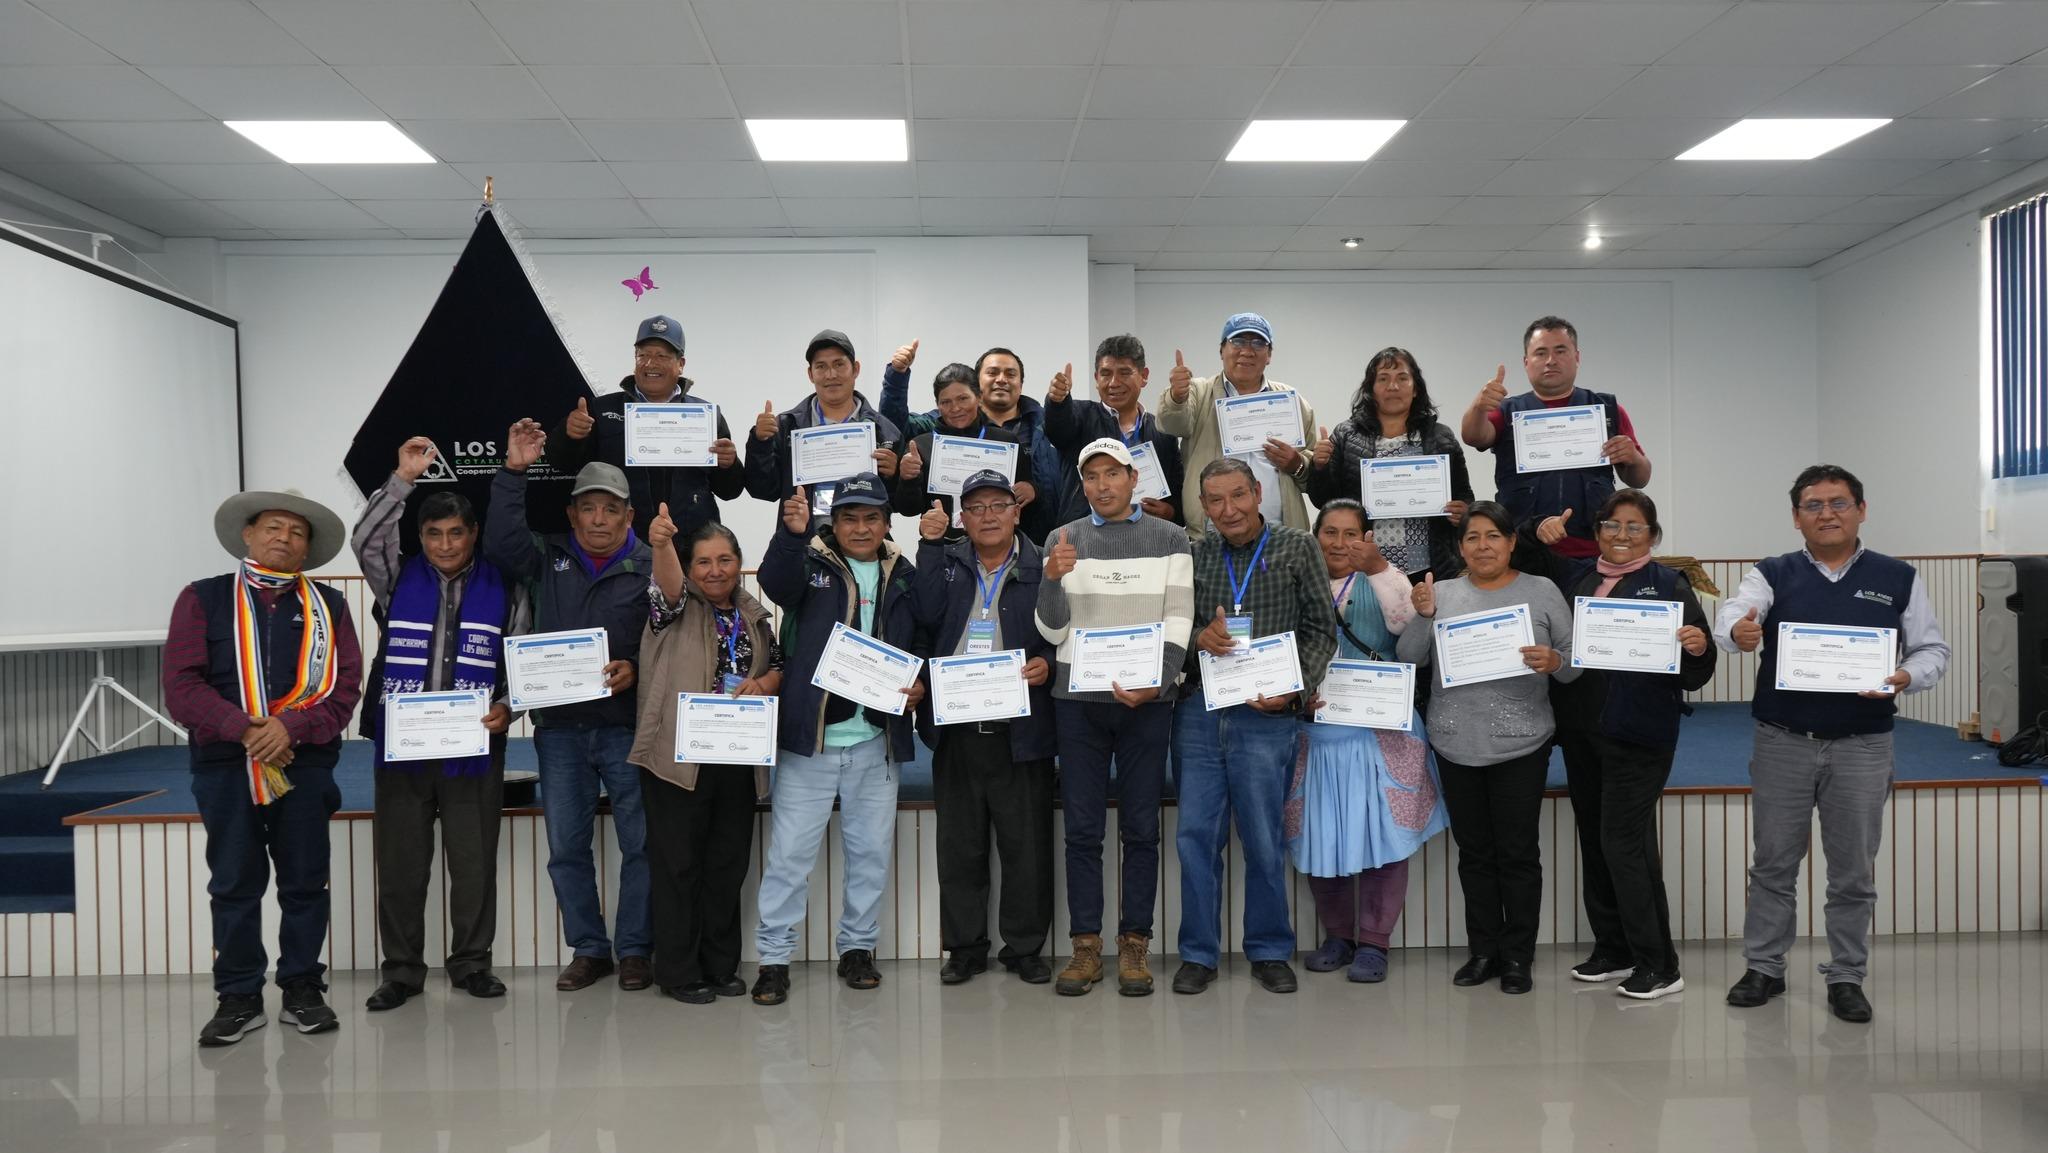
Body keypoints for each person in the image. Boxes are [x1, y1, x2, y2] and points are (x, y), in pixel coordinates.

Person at [1714, 465, 1949, 1024]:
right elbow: (1732, 619)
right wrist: (1737, 633)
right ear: (1796, 518)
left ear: (1861, 509)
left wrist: (1902, 678)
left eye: (1838, 503)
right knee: (1772, 864)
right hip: (1783, 741)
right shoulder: (1771, 573)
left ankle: (1847, 976)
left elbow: (1932, 652)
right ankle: (1764, 967)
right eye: (1813, 505)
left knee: (1853, 872)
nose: (1827, 514)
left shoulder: (1898, 577)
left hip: (1863, 745)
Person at [165, 489, 363, 1046]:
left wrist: (289, 730)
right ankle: (238, 996)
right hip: (227, 765)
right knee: (234, 883)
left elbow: (345, 687)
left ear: (308, 549)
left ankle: (302, 987)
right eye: (274, 527)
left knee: (305, 882)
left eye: (297, 532)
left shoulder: (330, 606)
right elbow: (181, 686)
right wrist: (246, 729)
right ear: (247, 535)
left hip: (306, 764)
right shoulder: (202, 599)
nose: (285, 538)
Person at [352, 438, 529, 1011]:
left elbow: (522, 659)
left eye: (456, 533)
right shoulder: (396, 579)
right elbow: (365, 539)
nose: (445, 544)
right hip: (403, 749)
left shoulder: (506, 585)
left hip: (475, 745)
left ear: (473, 534)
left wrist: (511, 707)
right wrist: (402, 478)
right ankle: (401, 971)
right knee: (402, 867)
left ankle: (472, 962)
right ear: (421, 538)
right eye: (434, 534)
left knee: (473, 863)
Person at [1518, 490, 1715, 1001]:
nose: (1622, 535)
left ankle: (1660, 963)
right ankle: (1614, 947)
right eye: (1612, 525)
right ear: (1598, 530)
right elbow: (1522, 550)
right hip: (1584, 732)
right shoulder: (1576, 578)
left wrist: (1696, 647)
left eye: (1635, 527)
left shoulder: (1670, 584)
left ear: (1653, 536)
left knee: (1626, 846)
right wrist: (1540, 526)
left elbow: (1697, 673)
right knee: (1596, 840)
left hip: (1641, 735)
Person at [485, 421, 654, 993]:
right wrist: (512, 474)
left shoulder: (655, 567)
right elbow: (501, 543)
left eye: (611, 508)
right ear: (572, 514)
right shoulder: (545, 557)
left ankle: (634, 949)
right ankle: (589, 948)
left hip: (629, 729)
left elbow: (677, 644)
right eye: (589, 508)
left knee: (642, 845)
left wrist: (637, 669)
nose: (599, 519)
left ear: (629, 516)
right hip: (557, 732)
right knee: (566, 848)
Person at [750, 473, 922, 1006]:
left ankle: (857, 949)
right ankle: (774, 958)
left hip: (877, 739)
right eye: (850, 517)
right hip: (813, 741)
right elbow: (777, 586)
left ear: (887, 522)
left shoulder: (906, 574)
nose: (861, 527)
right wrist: (790, 534)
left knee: (869, 854)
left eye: (872, 517)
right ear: (835, 522)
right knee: (789, 858)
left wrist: (921, 688)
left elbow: (923, 636)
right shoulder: (809, 561)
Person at [1033, 438, 1195, 997]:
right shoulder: (1063, 539)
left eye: (1113, 474)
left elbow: (1179, 617)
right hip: (1078, 705)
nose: (1103, 485)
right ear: (1083, 485)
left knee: (1140, 829)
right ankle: (1084, 949)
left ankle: (1134, 944)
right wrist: (1051, 577)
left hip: (1147, 704)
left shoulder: (1171, 538)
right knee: (1081, 829)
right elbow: (1053, 632)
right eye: (1092, 477)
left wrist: (1159, 680)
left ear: (1133, 479)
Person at [1397, 501, 1579, 995]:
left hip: (1522, 742)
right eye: (1472, 538)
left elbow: (1574, 665)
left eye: (1493, 536)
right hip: (1455, 742)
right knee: (1475, 854)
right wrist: (1424, 616)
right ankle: (1483, 951)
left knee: (1518, 853)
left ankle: (1517, 955)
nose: (1483, 546)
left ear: (1511, 541)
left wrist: (1554, 659)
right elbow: (1409, 657)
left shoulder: (1540, 591)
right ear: (1460, 547)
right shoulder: (1442, 593)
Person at [1172, 459, 1339, 996]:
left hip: (1268, 716)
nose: (1229, 510)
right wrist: (1201, 637)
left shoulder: (1296, 546)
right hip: (1201, 712)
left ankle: (1269, 950)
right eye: (1215, 501)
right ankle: (1198, 953)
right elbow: (1173, 626)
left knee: (1265, 839)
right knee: (1196, 837)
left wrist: (1295, 688)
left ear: (1258, 492)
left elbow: (1320, 628)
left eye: (1238, 496)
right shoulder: (1193, 554)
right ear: (1203, 507)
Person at [627, 509, 784, 1005]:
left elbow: (778, 665)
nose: (714, 570)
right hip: (677, 759)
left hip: (736, 758)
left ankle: (720, 966)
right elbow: (666, 582)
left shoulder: (754, 614)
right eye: (703, 562)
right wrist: (661, 545)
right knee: (677, 866)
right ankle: (677, 971)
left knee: (725, 866)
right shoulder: (671, 606)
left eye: (724, 559)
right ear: (689, 569)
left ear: (739, 563)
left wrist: (765, 682)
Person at [907, 470, 1058, 985]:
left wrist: (1050, 667)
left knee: (1026, 847)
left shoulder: (1043, 565)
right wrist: (928, 546)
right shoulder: (945, 563)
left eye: (999, 505)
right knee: (960, 847)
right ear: (963, 519)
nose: (988, 516)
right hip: (957, 729)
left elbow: (1068, 630)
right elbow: (923, 619)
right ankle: (966, 947)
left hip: (1022, 727)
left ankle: (1025, 948)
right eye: (976, 508)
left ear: (1018, 511)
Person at [1293, 499, 1448, 984]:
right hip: (1316, 735)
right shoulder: (1294, 580)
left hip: (1379, 734)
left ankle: (1375, 942)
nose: (1340, 544)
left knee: (1384, 841)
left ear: (1368, 539)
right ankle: (1338, 936)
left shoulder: (1387, 579)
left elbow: (1407, 630)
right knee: (1323, 838)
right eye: (1330, 533)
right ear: (1314, 535)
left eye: (1351, 534)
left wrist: (1381, 569)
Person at [546, 315, 746, 560]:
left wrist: (729, 464)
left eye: (662, 356)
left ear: (680, 363)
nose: (651, 363)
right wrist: (570, 436)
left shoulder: (707, 415)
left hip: (691, 552)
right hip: (624, 550)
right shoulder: (601, 410)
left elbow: (729, 490)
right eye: (643, 355)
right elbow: (562, 465)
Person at [1458, 316, 1651, 558]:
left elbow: (1640, 478)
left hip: (1592, 551)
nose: (1551, 360)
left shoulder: (1607, 409)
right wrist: (1479, 407)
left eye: (1560, 351)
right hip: (1523, 549)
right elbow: (1473, 436)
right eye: (1541, 353)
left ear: (1577, 357)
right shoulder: (1506, 410)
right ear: (1527, 362)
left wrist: (1632, 456)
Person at [1306, 346, 1472, 581]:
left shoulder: (1440, 437)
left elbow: (1464, 496)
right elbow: (1323, 500)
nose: (1393, 387)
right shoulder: (1346, 435)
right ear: (1371, 389)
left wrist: (1462, 512)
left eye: (1402, 378)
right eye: (1383, 379)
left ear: (1415, 388)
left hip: (1429, 568)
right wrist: (1319, 466)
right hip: (1363, 567)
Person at [1156, 312, 1317, 537]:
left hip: (1281, 537)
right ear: (1222, 350)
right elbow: (1172, 424)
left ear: (1269, 355)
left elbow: (1312, 476)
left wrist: (1296, 464)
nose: (1247, 351)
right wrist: (1177, 396)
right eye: (1238, 341)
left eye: (1259, 343)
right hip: (1212, 535)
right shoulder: (1198, 392)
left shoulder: (1292, 402)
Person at [744, 329, 903, 529]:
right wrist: (760, 443)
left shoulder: (883, 430)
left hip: (864, 544)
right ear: (811, 374)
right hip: (804, 546)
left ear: (855, 369)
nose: (831, 375)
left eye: (839, 364)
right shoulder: (786, 426)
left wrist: (895, 475)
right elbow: (763, 491)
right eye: (821, 367)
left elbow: (900, 505)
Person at [1042, 334, 1185, 528]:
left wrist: (1171, 511)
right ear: (1096, 378)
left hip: (1146, 536)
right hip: (1087, 536)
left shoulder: (1162, 430)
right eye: (1106, 373)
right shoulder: (1080, 416)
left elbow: (1177, 490)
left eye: (1124, 373)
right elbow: (1058, 428)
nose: (1113, 383)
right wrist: (1057, 402)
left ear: (1144, 376)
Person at [891, 361, 1038, 537]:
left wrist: (1032, 490)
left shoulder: (1005, 442)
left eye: (963, 398)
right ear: (937, 405)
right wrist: (908, 480)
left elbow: (1025, 506)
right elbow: (908, 509)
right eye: (946, 402)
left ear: (979, 397)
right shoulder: (921, 446)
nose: (955, 408)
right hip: (942, 549)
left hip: (998, 547)